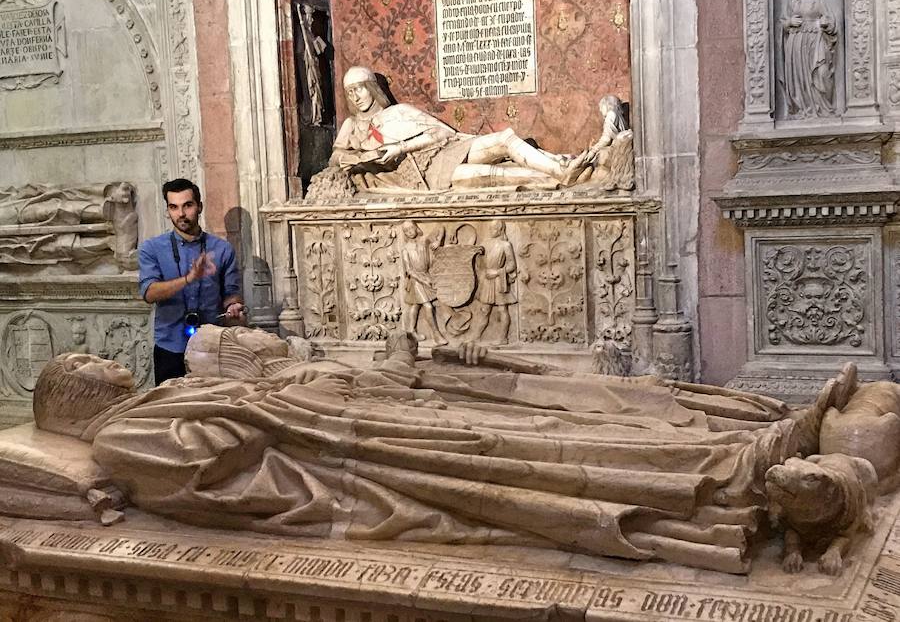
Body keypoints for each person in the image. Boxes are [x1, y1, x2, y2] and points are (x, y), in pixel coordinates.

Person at [27, 326, 845, 574]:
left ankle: (733, 440)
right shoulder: (123, 430)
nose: (108, 360)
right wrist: (269, 394)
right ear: (75, 395)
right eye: (89, 364)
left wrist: (367, 370)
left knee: (539, 417)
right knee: (518, 451)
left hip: (343, 418)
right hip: (342, 459)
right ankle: (734, 476)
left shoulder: (154, 398)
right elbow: (213, 464)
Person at [329, 66, 595, 191]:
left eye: (359, 89)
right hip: (427, 176)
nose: (355, 97)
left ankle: (561, 169)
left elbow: (441, 133)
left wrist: (399, 146)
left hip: (445, 150)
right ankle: (562, 180)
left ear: (372, 89)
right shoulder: (352, 127)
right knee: (500, 175)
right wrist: (362, 159)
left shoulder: (399, 112)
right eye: (349, 92)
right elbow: (335, 161)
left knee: (504, 138)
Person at [138, 179, 245, 384]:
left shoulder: (222, 249)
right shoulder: (151, 248)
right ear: (167, 211)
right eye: (174, 207)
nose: (181, 214)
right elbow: (149, 293)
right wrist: (189, 279)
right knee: (170, 409)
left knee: (212, 407)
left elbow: (231, 292)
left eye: (187, 205)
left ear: (199, 207)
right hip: (170, 346)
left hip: (211, 346)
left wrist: (234, 306)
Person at [781, 0, 837, 119]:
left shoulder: (819, 0)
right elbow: (783, 22)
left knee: (822, 72)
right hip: (797, 43)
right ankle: (802, 108)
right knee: (799, 78)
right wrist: (789, 22)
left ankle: (823, 108)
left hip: (817, 42)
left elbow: (831, 22)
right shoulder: (793, 1)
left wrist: (825, 24)